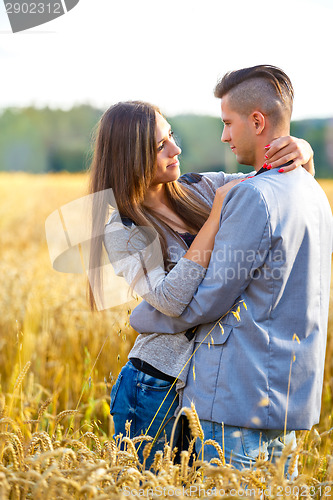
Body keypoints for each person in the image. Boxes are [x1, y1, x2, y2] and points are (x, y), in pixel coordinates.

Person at [88, 99, 315, 465]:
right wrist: (213, 221)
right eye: (159, 146)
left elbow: (275, 188)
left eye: (171, 136)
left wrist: (302, 152)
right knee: (151, 491)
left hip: (212, 386)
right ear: (130, 157)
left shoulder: (203, 187)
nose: (176, 149)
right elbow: (169, 298)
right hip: (154, 386)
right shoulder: (122, 230)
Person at [130, 66, 333, 471]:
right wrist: (303, 154)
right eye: (161, 144)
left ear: (256, 121)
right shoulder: (314, 191)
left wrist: (146, 317)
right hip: (289, 396)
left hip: (235, 397)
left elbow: (209, 299)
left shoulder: (244, 196)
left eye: (227, 123)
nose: (223, 136)